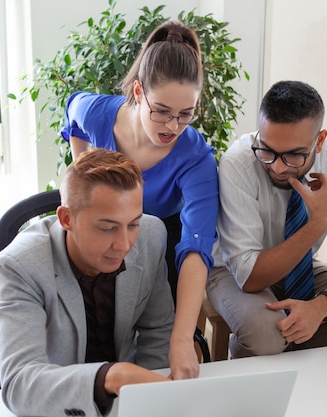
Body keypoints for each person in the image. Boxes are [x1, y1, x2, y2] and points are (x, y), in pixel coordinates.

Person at [61, 20, 218, 378]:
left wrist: (180, 340)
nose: (172, 126)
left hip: (165, 241)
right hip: (104, 231)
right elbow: (72, 112)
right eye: (161, 110)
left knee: (162, 345)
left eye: (185, 114)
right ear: (138, 91)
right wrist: (84, 172)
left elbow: (197, 247)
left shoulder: (196, 158)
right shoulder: (98, 113)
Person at [207, 80, 327, 358]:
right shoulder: (238, 163)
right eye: (267, 150)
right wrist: (319, 223)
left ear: (319, 141)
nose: (277, 166)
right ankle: (261, 355)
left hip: (300, 266)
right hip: (231, 270)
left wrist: (322, 306)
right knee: (265, 333)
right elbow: (249, 276)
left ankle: (285, 351)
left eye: (294, 155)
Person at [0, 149, 175, 417]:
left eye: (133, 224)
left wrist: (144, 401)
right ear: (66, 219)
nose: (124, 244)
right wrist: (110, 376)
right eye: (107, 228)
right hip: (58, 401)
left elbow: (158, 329)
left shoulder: (151, 235)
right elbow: (20, 383)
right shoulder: (19, 266)